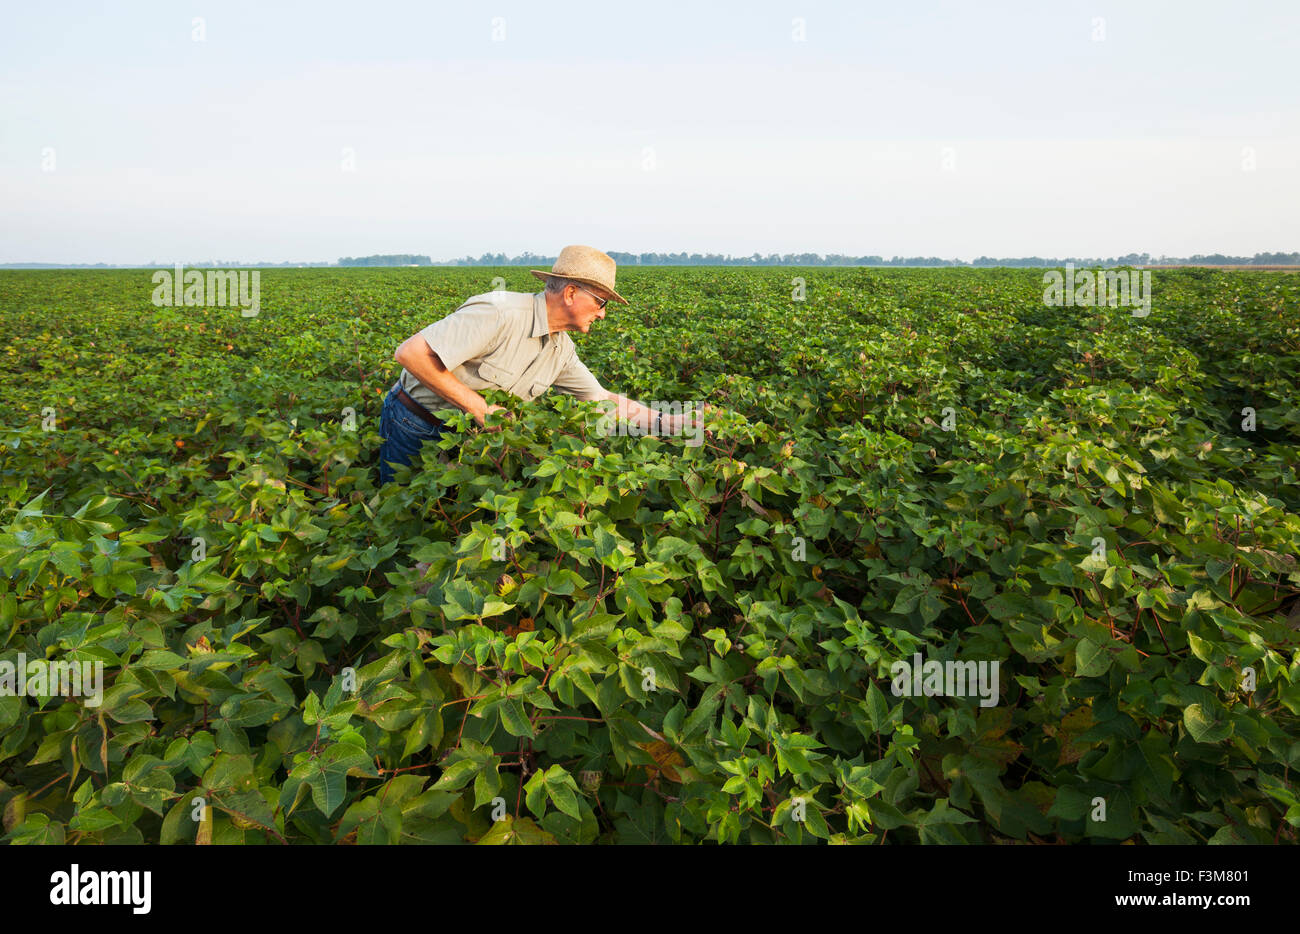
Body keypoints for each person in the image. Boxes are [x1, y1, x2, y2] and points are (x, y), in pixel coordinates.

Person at [378, 244, 711, 485]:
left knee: (443, 519)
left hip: (471, 441)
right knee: (403, 512)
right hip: (415, 424)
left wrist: (678, 423)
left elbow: (601, 400)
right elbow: (410, 354)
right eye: (600, 302)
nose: (603, 313)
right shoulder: (499, 312)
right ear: (569, 294)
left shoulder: (560, 349)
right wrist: (481, 410)